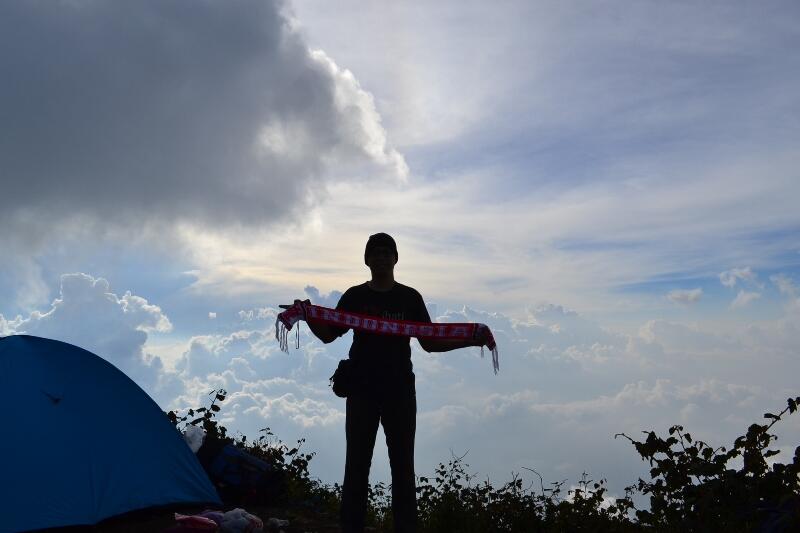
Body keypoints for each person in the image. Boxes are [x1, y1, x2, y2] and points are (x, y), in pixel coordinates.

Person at [289, 233, 487, 533]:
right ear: (366, 260)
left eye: (386, 252)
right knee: (356, 465)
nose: (381, 258)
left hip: (399, 390)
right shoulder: (355, 297)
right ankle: (351, 527)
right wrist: (306, 315)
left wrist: (471, 341)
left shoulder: (409, 298)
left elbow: (430, 343)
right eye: (375, 253)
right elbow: (330, 334)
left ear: (395, 258)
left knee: (403, 467)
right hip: (362, 389)